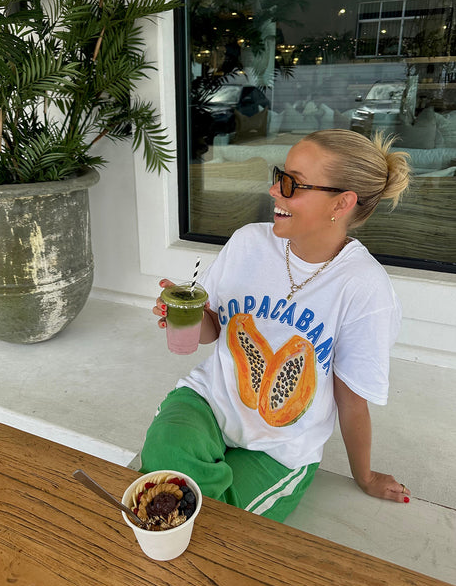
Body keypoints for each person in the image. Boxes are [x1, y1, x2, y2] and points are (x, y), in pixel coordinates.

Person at [141, 128, 412, 522]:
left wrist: (365, 476)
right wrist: (187, 316)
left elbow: (352, 400)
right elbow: (214, 328)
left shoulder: (364, 288)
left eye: (292, 184)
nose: (274, 191)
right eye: (278, 176)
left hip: (282, 447)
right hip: (209, 402)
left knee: (217, 520)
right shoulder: (248, 242)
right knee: (166, 460)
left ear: (342, 202)